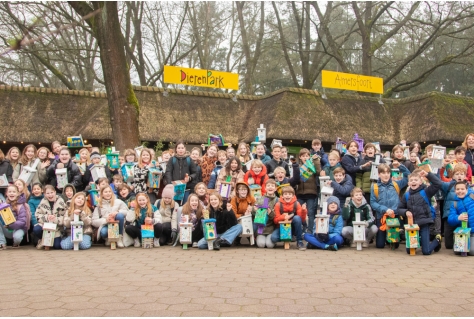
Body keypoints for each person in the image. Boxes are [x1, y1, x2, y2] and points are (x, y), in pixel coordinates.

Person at [397, 169, 442, 255]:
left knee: (426, 251)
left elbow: (438, 184)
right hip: (412, 225)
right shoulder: (406, 195)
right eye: (411, 180)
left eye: (416, 180)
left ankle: (437, 240)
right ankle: (420, 241)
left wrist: (428, 174)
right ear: (408, 183)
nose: (413, 182)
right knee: (409, 251)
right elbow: (399, 208)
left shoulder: (426, 192)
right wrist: (405, 212)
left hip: (424, 223)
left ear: (420, 182)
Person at [370, 163, 409, 249]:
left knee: (394, 244)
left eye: (388, 173)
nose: (386, 175)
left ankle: (393, 237)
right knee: (380, 245)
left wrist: (400, 166)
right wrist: (385, 209)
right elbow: (373, 203)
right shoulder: (375, 186)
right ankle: (384, 237)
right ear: (379, 174)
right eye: (383, 173)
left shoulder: (396, 184)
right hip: (381, 216)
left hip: (394, 216)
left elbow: (408, 176)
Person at [271, 186, 307, 250]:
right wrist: (283, 217)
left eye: (290, 194)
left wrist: (303, 211)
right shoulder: (278, 204)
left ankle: (299, 241)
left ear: (293, 196)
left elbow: (302, 220)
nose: (287, 196)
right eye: (285, 194)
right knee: (274, 238)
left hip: (293, 227)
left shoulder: (297, 204)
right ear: (282, 196)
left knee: (297, 218)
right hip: (281, 227)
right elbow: (275, 220)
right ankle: (287, 238)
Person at [440, 164, 466, 249]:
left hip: (464, 217)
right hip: (449, 215)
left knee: (462, 240)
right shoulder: (449, 185)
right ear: (453, 175)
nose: (459, 176)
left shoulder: (469, 188)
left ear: (465, 176)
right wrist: (442, 168)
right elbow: (437, 181)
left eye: (461, 174)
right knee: (449, 245)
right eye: (457, 174)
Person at [34, 184, 67, 250]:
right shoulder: (42, 203)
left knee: (57, 246)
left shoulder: (61, 203)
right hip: (45, 225)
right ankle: (42, 240)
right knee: (36, 229)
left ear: (55, 192)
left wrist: (55, 219)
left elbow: (64, 216)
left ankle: (51, 241)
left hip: (56, 227)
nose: (50, 195)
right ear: (45, 194)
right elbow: (37, 215)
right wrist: (47, 217)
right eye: (48, 193)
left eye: (52, 192)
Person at [165, 141, 198, 205]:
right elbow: (168, 172)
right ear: (176, 149)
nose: (181, 150)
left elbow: (195, 172)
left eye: (182, 148)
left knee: (185, 206)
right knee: (174, 206)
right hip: (175, 188)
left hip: (186, 188)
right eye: (179, 148)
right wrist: (170, 183)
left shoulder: (189, 159)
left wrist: (190, 178)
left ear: (185, 149)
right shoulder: (172, 159)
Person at [295, 148, 320, 234]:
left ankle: (310, 230)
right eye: (303, 156)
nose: (305, 157)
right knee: (299, 211)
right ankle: (302, 227)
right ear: (300, 157)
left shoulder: (312, 165)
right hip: (300, 193)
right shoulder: (298, 167)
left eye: (307, 156)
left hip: (311, 192)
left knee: (311, 212)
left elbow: (318, 172)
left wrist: (316, 161)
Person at [448, 180, 474, 256]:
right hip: (463, 231)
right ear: (455, 190)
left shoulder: (472, 196)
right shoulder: (454, 204)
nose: (460, 191)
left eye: (462, 189)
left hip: (473, 231)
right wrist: (458, 218)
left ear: (466, 189)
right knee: (458, 251)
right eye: (458, 189)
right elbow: (450, 219)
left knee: (472, 251)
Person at [0, 185, 29, 249]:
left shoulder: (21, 206)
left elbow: (22, 222)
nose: (11, 193)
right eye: (9, 192)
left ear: (18, 193)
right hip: (7, 229)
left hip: (19, 228)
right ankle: (2, 243)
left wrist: (11, 225)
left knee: (17, 237)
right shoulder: (3, 205)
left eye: (14, 192)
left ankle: (16, 243)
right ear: (6, 194)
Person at [252, 179, 278, 248]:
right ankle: (258, 238)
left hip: (271, 228)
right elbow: (253, 213)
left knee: (269, 245)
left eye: (272, 186)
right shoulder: (260, 199)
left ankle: (271, 240)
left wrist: (270, 213)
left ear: (275, 188)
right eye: (268, 186)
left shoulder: (277, 200)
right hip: (261, 228)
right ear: (265, 188)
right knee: (261, 245)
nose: (270, 187)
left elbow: (276, 217)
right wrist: (254, 210)